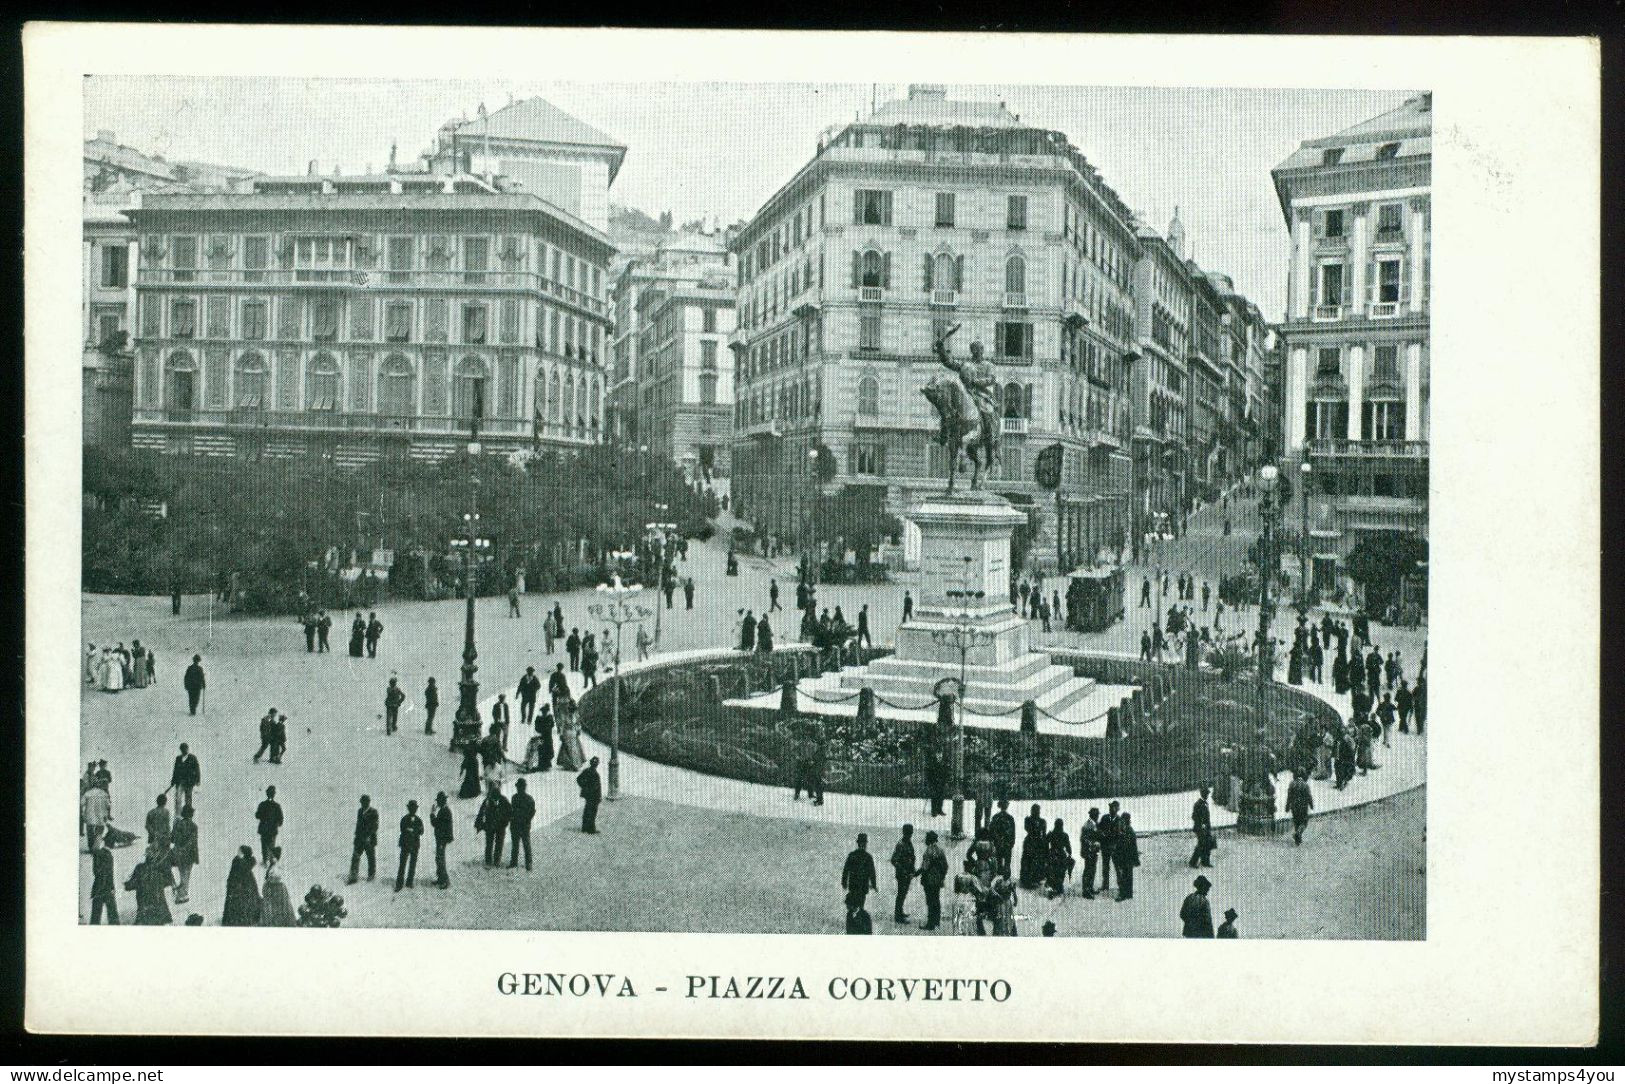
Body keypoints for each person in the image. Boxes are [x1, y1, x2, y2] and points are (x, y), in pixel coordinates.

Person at [127, 842, 175, 925]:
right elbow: (169, 882)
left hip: (144, 910)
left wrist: (127, 884)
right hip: (160, 911)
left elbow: (130, 885)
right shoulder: (162, 868)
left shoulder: (140, 868)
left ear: (146, 855)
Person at [221, 846, 261, 926]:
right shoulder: (240, 862)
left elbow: (237, 875)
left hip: (239, 886)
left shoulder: (240, 863)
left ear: (244, 854)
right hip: (238, 885)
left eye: (240, 851)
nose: (238, 852)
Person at [258, 847, 296, 926]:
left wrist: (269, 880)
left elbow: (277, 877)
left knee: (277, 908)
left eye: (272, 857)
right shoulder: (271, 867)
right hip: (271, 890)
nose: (271, 858)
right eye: (270, 857)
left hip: (276, 890)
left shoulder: (277, 867)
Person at [918, 830, 947, 931]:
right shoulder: (940, 850)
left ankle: (930, 924)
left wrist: (916, 874)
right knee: (936, 900)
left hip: (929, 880)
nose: (925, 840)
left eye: (926, 839)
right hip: (938, 879)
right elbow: (945, 866)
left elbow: (924, 867)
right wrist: (942, 876)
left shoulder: (929, 851)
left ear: (929, 839)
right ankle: (936, 921)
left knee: (930, 901)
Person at [841, 833, 877, 915]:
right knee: (860, 905)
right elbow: (872, 872)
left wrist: (844, 882)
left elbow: (846, 870)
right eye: (863, 843)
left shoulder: (852, 855)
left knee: (853, 905)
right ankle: (857, 921)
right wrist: (874, 885)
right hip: (862, 886)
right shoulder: (868, 857)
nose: (863, 845)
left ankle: (852, 920)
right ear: (865, 844)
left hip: (854, 884)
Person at [476, 783, 511, 868]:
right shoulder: (488, 801)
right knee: (490, 844)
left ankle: (496, 860)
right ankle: (489, 860)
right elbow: (481, 813)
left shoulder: (503, 800)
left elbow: (510, 812)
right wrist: (479, 824)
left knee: (498, 844)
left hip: (500, 826)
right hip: (490, 826)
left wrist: (505, 822)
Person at [170, 804, 198, 905]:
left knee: (182, 874)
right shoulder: (194, 826)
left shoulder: (178, 824)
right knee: (186, 875)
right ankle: (182, 895)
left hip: (178, 854)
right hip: (189, 855)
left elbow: (172, 839)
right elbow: (192, 842)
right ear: (191, 815)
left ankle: (179, 891)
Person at [88, 835, 119, 925]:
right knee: (113, 916)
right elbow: (109, 873)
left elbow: (96, 871)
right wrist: (111, 887)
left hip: (97, 887)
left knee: (95, 916)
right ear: (112, 845)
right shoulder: (108, 855)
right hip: (106, 888)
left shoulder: (98, 854)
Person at [395, 800, 424, 892]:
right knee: (402, 864)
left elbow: (421, 831)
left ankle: (409, 882)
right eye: (411, 808)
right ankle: (399, 883)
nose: (413, 810)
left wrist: (412, 830)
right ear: (408, 808)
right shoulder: (404, 819)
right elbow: (403, 829)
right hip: (405, 844)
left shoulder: (419, 820)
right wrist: (413, 831)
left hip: (415, 845)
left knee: (412, 864)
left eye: (414, 808)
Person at [508, 778, 536, 871]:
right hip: (519, 825)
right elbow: (512, 811)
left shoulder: (517, 798)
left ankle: (522, 863)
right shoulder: (525, 798)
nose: (519, 789)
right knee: (520, 844)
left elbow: (532, 812)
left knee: (523, 844)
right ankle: (521, 863)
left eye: (520, 787)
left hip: (521, 825)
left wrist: (525, 820)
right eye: (518, 787)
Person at [1019, 804, 1047, 889]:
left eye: (1037, 810)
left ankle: (1036, 878)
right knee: (1028, 860)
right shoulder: (1028, 819)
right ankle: (1027, 879)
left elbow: (1043, 833)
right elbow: (1028, 829)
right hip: (1031, 841)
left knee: (1037, 861)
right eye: (1035, 810)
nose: (1036, 812)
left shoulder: (1042, 821)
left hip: (1037, 842)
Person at [1113, 812, 1140, 901]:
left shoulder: (1126, 831)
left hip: (1125, 857)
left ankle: (1123, 894)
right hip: (1127, 857)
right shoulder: (1128, 830)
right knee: (1127, 876)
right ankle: (1128, 893)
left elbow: (1129, 846)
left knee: (1124, 876)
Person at [431, 792, 454, 889]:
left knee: (440, 859)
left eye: (438, 801)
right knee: (438, 858)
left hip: (442, 839)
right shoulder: (444, 810)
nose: (437, 803)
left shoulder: (444, 811)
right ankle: (441, 878)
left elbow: (436, 824)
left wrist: (432, 814)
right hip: (441, 838)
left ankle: (445, 881)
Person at [1045, 818, 1073, 898]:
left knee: (1052, 871)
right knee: (1060, 872)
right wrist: (1070, 855)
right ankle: (1058, 887)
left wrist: (1047, 853)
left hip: (1052, 854)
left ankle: (1052, 888)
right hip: (1061, 855)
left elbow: (1045, 843)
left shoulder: (1051, 833)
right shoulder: (1064, 835)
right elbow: (1068, 847)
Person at [254, 786, 283, 864]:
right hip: (272, 830)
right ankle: (270, 861)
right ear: (274, 795)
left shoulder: (262, 804)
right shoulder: (277, 806)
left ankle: (265, 860)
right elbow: (280, 820)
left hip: (264, 829)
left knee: (264, 846)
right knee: (271, 845)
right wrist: (277, 823)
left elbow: (257, 815)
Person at [1189, 786, 1216, 868]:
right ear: (1203, 794)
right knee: (1201, 845)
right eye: (1206, 794)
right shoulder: (1198, 804)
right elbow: (1194, 816)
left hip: (1206, 828)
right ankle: (1193, 862)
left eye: (1207, 794)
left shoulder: (1204, 803)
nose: (1207, 796)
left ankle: (1205, 861)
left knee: (1207, 844)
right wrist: (1201, 824)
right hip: (1200, 829)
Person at [81, 779, 111, 852]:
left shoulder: (87, 793)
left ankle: (91, 848)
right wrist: (107, 814)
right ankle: (96, 848)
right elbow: (108, 805)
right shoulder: (103, 794)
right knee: (99, 831)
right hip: (101, 816)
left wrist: (82, 813)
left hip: (89, 816)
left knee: (90, 832)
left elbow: (81, 803)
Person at [989, 799, 1017, 877]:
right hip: (1007, 843)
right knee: (1007, 863)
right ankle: (1006, 880)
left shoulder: (995, 817)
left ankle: (1000, 879)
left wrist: (994, 841)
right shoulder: (1010, 818)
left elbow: (991, 831)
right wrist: (1012, 842)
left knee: (999, 863)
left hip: (998, 843)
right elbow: (1013, 832)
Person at [1078, 808, 1101, 898]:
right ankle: (1086, 891)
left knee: (1092, 870)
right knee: (1088, 870)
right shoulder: (1087, 825)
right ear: (1092, 815)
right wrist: (1092, 843)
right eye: (1096, 814)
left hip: (1093, 851)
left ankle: (1090, 888)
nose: (1097, 816)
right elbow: (1083, 838)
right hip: (1088, 851)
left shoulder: (1094, 824)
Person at [1098, 801, 1120, 895]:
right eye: (1110, 807)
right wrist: (1101, 834)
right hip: (1105, 846)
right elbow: (1099, 829)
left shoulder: (1120, 820)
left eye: (1114, 807)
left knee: (1117, 867)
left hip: (1115, 847)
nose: (1111, 809)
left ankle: (1121, 885)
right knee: (1105, 867)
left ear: (1117, 809)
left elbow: (1121, 834)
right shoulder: (1104, 818)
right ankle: (1105, 885)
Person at [1285, 770, 1314, 845]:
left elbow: (1289, 797)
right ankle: (1298, 833)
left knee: (1296, 822)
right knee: (1304, 822)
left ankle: (1298, 838)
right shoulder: (1305, 785)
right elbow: (1309, 796)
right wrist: (1311, 805)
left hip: (1294, 806)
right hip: (1303, 806)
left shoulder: (1292, 784)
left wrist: (1287, 806)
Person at [170, 744, 201, 809]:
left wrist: (198, 780)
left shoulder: (192, 758)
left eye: (185, 748)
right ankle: (178, 815)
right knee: (178, 798)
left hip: (189, 782)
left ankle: (188, 815)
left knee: (188, 798)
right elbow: (175, 771)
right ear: (181, 750)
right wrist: (173, 781)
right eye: (182, 749)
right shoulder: (178, 758)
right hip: (179, 782)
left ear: (187, 749)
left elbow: (197, 769)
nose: (184, 750)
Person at [578, 757, 603, 833]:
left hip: (587, 795)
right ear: (597, 764)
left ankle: (584, 827)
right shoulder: (595, 774)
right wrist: (599, 797)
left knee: (587, 811)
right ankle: (591, 829)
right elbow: (597, 788)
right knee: (592, 812)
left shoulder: (586, 771)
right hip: (594, 796)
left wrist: (584, 787)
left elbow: (579, 779)